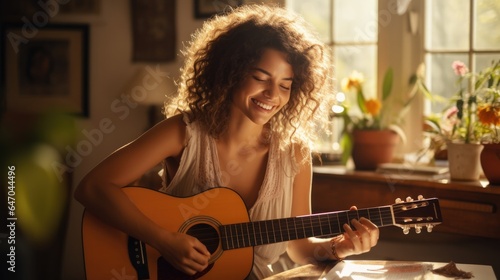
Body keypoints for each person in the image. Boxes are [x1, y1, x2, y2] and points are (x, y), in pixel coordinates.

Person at [75, 4, 379, 279]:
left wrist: (339, 248)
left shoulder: (294, 153)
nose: (273, 95)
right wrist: (163, 240)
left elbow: (299, 248)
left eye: (285, 85)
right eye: (261, 78)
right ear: (230, 72)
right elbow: (92, 187)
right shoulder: (183, 133)